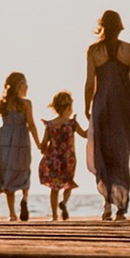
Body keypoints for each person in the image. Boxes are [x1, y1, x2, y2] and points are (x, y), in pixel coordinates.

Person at [84, 10, 130, 221]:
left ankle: (107, 203)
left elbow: (90, 83)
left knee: (104, 155)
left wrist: (87, 107)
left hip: (102, 107)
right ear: (120, 27)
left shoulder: (93, 51)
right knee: (123, 154)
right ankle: (121, 208)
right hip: (125, 106)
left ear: (102, 26)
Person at [0, 72, 41, 222]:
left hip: (4, 141)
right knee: (23, 170)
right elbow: (32, 125)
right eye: (24, 83)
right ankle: (25, 198)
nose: (27, 86)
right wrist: (39, 144)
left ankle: (12, 214)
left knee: (8, 172)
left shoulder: (1, 104)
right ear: (18, 86)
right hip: (21, 140)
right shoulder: (26, 104)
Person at [39, 92, 87, 221]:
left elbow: (44, 144)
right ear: (68, 107)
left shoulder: (50, 125)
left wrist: (43, 149)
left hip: (54, 159)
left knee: (54, 188)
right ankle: (64, 203)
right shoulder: (72, 124)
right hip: (68, 158)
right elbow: (85, 134)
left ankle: (54, 215)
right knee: (68, 183)